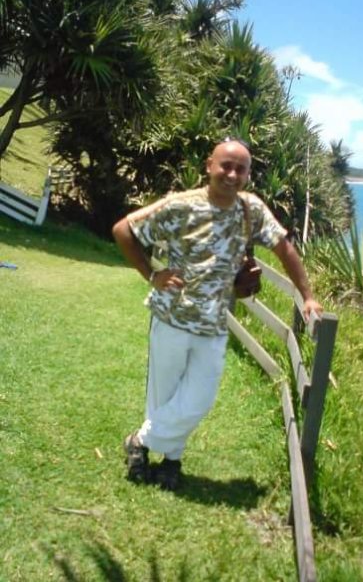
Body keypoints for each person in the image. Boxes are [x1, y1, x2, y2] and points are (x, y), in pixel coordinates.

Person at [112, 138, 322, 490]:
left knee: (199, 398)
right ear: (210, 166)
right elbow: (123, 230)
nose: (232, 174)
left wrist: (309, 297)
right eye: (226, 165)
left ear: (248, 174)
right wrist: (152, 275)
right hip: (172, 317)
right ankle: (171, 462)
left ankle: (139, 441)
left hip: (214, 323)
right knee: (164, 395)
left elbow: (284, 248)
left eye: (241, 169)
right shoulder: (181, 205)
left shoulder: (251, 209)